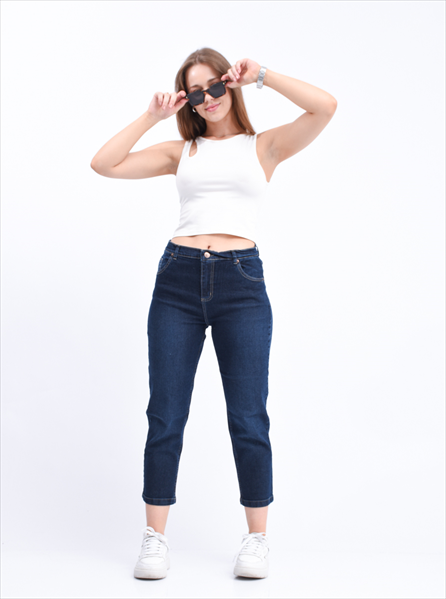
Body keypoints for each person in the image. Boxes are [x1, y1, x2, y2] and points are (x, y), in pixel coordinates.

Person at [90, 47, 337, 580]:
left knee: (248, 416)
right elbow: (103, 164)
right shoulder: (181, 151)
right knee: (166, 415)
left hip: (241, 285)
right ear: (188, 100)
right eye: (196, 93)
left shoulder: (264, 146)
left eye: (216, 87)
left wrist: (262, 75)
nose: (208, 99)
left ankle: (257, 539)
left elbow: (325, 107)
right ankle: (155, 538)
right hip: (177, 281)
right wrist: (152, 116)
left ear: (231, 85)